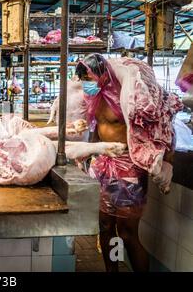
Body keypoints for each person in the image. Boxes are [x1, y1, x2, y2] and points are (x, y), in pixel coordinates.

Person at [75, 53, 182, 272]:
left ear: (102, 74)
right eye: (84, 79)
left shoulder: (128, 96)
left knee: (127, 232)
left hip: (129, 169)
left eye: (90, 78)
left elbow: (162, 128)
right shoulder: (96, 97)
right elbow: (95, 128)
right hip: (103, 164)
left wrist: (167, 161)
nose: (87, 84)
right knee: (105, 227)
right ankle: (111, 271)